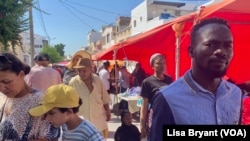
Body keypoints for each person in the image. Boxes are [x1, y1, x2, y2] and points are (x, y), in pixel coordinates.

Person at [150, 18, 243, 141]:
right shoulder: (168, 98)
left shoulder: (236, 94)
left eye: (228, 46)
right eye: (211, 45)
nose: (221, 52)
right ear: (191, 51)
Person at [0, 52, 59, 141]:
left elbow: (49, 137)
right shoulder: (6, 97)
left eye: (6, 82)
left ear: (21, 75)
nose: (2, 88)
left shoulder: (39, 101)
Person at [29, 84, 105, 141]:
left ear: (69, 111)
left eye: (51, 113)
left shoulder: (88, 132)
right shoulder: (63, 126)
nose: (48, 118)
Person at [69, 58, 111, 138]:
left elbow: (105, 98)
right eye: (79, 71)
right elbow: (69, 103)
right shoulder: (73, 82)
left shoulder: (98, 80)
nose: (81, 73)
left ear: (90, 69)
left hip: (99, 123)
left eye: (84, 70)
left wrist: (108, 111)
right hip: (81, 126)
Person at [140, 53, 173, 139]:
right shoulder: (147, 82)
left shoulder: (169, 80)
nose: (162, 66)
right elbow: (144, 105)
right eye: (158, 63)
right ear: (152, 66)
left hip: (169, 116)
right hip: (155, 117)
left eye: (164, 63)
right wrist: (142, 125)